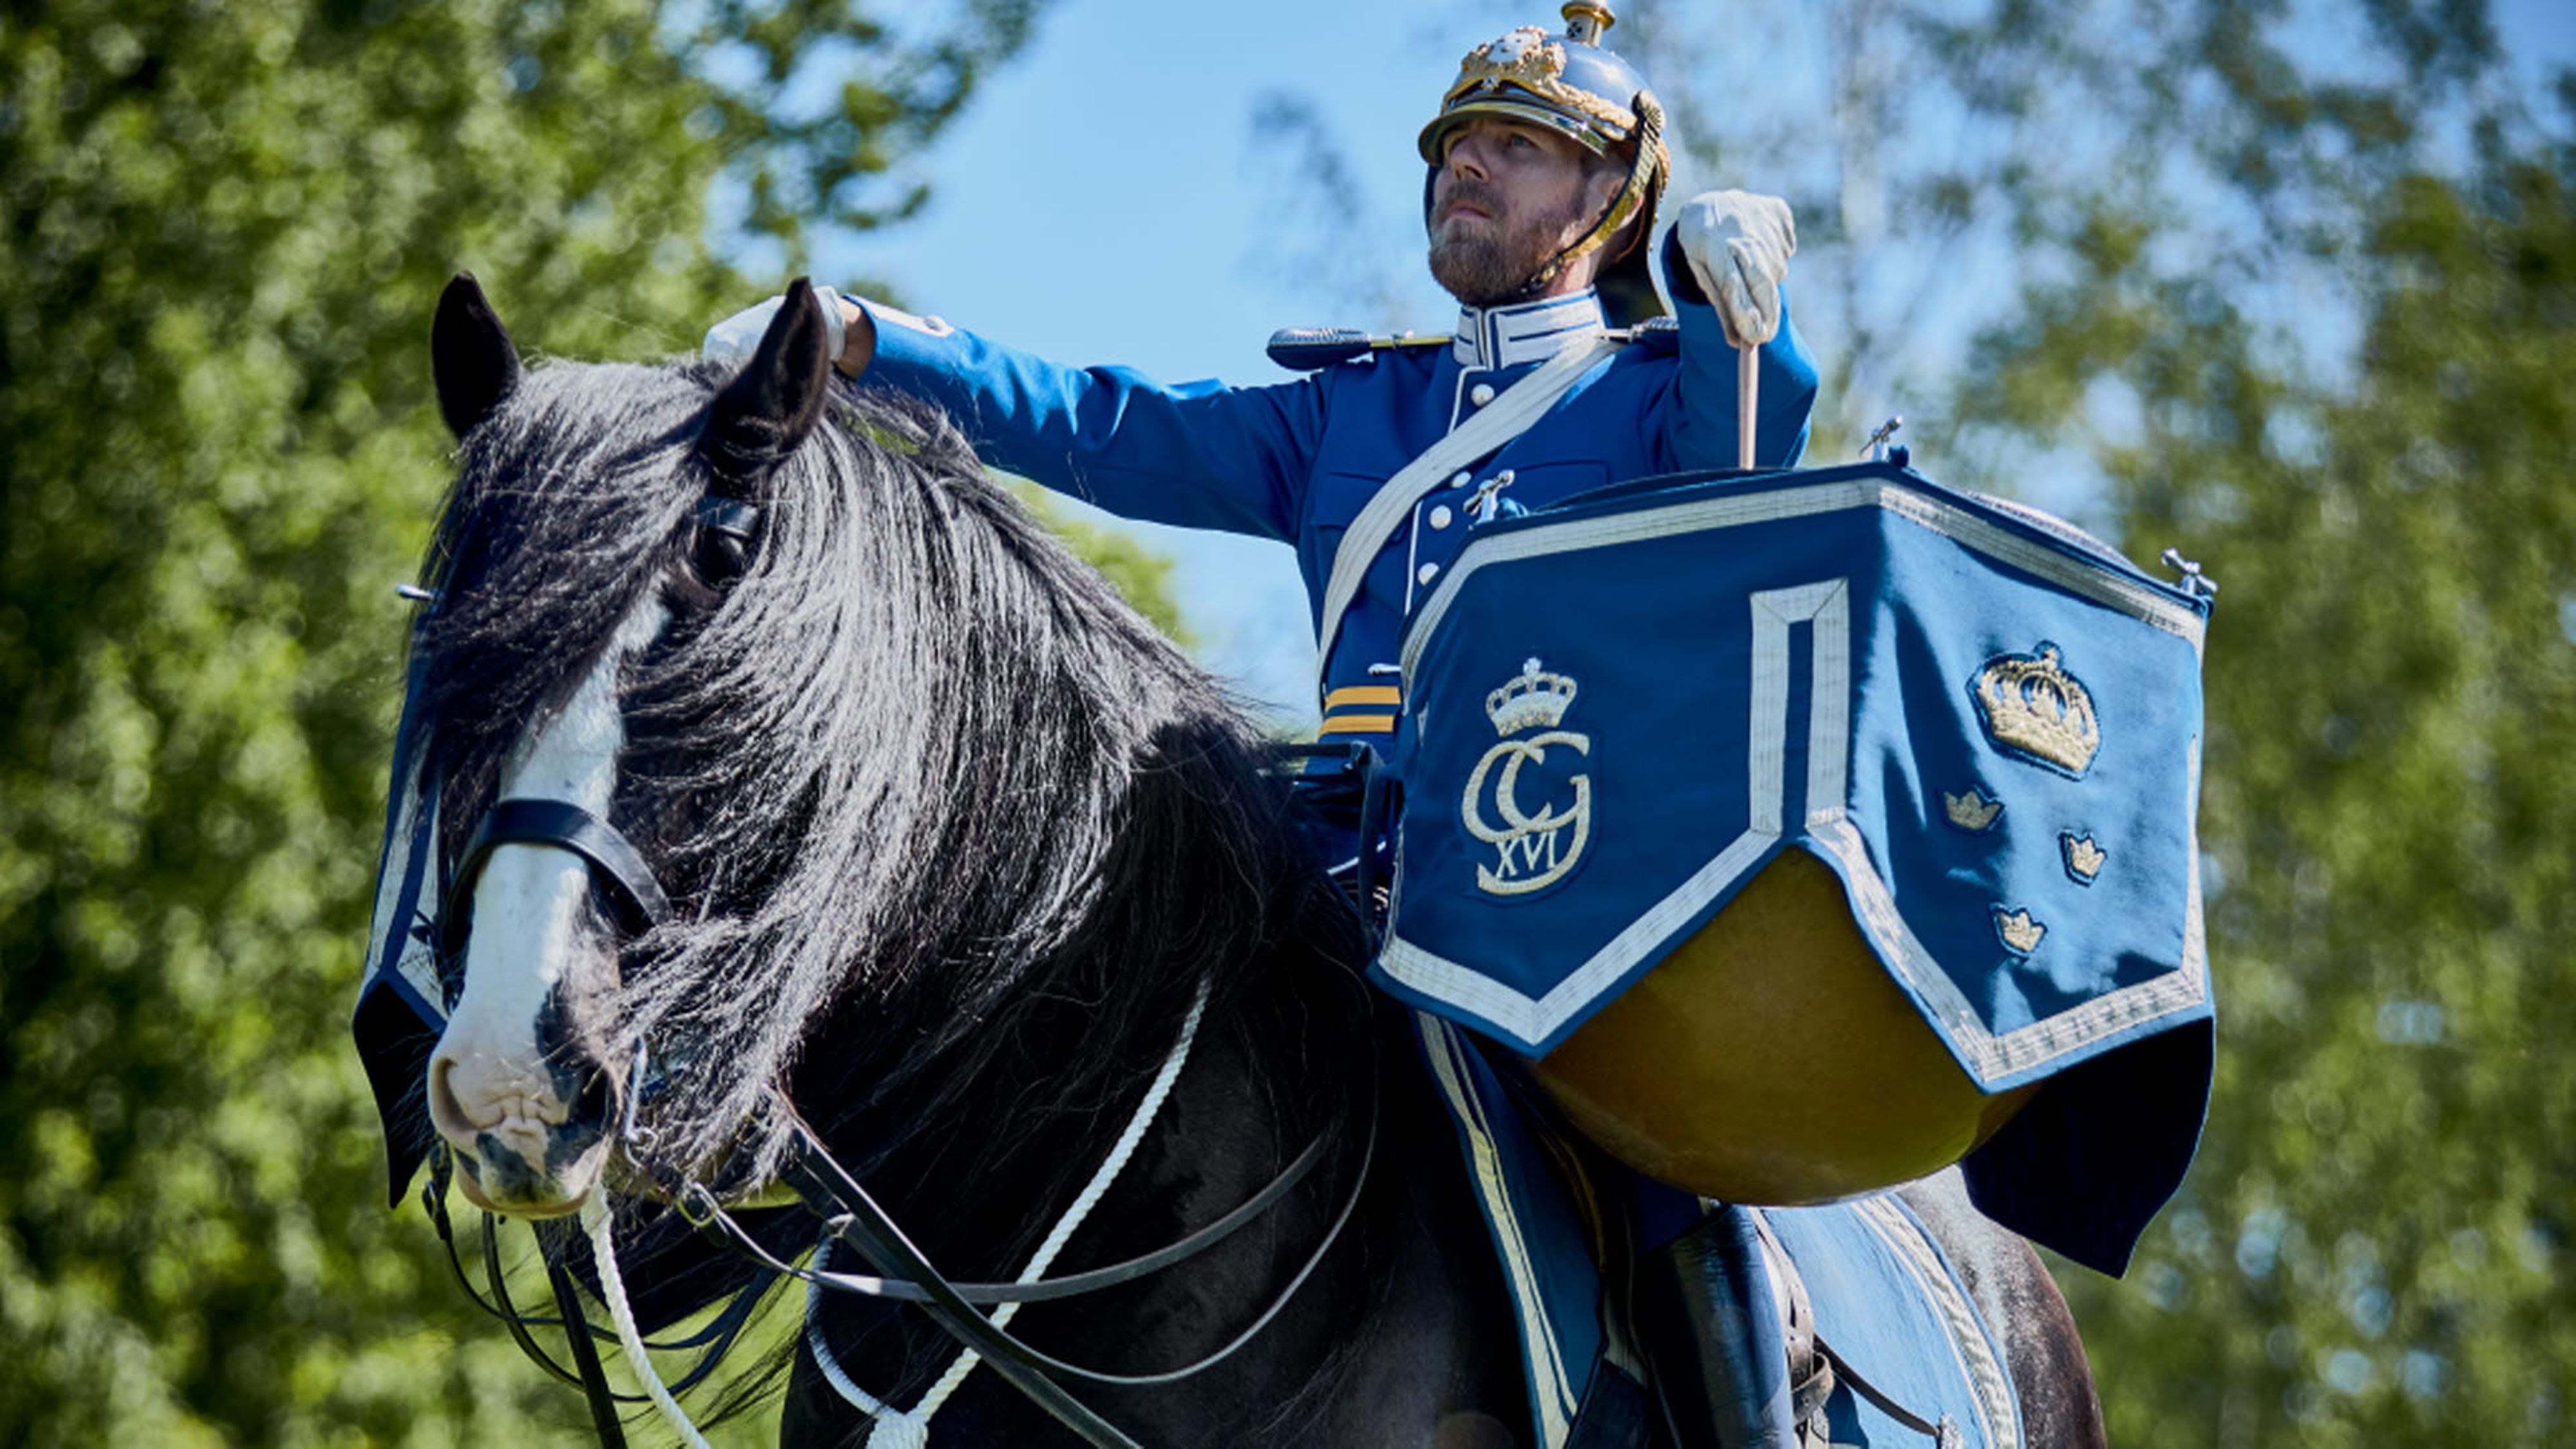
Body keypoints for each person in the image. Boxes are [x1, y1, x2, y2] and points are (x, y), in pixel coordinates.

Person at [708, 7, 1843, 1443]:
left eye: (1518, 147)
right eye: (1454, 146)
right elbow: (1101, 425)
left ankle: (1751, 1411)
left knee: (1657, 1163)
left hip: (1551, 885)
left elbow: (1740, 477)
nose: (1465, 171)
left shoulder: (1651, 399)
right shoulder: (1355, 413)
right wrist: (869, 344)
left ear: (1609, 206)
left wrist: (1747, 320)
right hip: (1324, 876)